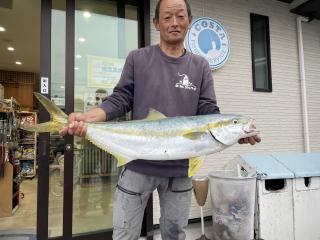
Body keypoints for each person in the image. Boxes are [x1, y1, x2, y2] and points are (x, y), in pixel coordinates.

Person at [59, 0, 261, 239]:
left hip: (179, 169)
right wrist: (88, 118)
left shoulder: (200, 66)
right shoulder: (138, 58)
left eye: (180, 16)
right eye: (167, 17)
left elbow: (208, 111)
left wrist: (236, 133)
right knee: (125, 233)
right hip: (136, 164)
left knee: (175, 233)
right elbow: (121, 99)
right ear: (156, 23)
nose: (174, 23)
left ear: (189, 21)